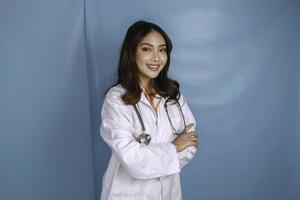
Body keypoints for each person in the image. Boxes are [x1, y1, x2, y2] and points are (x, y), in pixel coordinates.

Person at [100, 20, 199, 200]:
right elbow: (131, 159)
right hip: (127, 194)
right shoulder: (116, 99)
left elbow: (190, 145)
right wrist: (174, 147)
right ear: (131, 52)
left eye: (162, 50)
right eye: (147, 49)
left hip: (168, 192)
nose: (156, 58)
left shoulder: (173, 96)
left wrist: (149, 157)